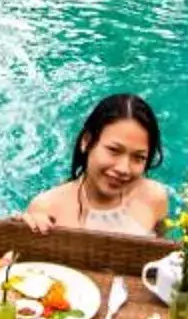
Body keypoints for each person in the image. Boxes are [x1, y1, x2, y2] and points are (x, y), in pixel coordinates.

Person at [22, 93, 169, 235]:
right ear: (86, 142)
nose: (124, 169)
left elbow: (163, 249)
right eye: (114, 150)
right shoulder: (46, 209)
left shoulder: (155, 198)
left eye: (139, 157)